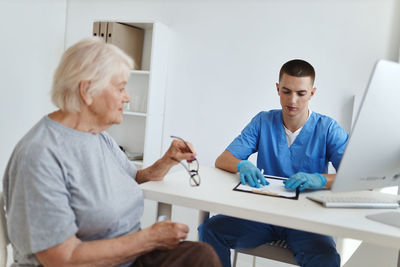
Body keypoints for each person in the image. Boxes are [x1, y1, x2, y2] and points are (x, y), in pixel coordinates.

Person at [2, 37, 221, 267]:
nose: (127, 97)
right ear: (87, 91)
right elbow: (62, 259)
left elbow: (135, 179)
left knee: (201, 256)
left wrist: (168, 160)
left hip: (126, 258)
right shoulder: (40, 155)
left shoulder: (98, 135)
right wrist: (149, 238)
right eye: (120, 88)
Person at [198, 59, 348, 267]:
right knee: (210, 230)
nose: (292, 100)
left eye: (301, 93)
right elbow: (223, 159)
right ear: (277, 89)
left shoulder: (328, 128)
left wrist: (320, 179)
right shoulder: (263, 121)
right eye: (286, 91)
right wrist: (242, 165)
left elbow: (353, 177)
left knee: (327, 259)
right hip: (262, 215)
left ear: (312, 93)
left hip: (305, 220)